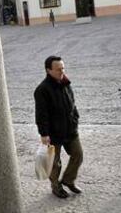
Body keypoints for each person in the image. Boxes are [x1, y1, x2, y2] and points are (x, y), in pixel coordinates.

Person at [34, 56, 83, 198]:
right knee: (55, 164)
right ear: (48, 70)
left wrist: (75, 119)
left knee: (78, 155)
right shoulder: (42, 90)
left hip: (70, 129)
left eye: (63, 68)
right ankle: (56, 186)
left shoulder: (66, 82)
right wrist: (44, 134)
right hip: (54, 133)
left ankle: (68, 180)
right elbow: (41, 115)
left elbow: (72, 104)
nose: (62, 71)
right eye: (58, 69)